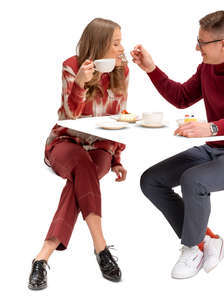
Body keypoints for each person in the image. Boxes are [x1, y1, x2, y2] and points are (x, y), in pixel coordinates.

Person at [131, 10, 224, 279]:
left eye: (202, 42)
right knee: (151, 180)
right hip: (214, 150)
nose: (196, 47)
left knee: (194, 180)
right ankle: (206, 240)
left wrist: (210, 128)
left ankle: (191, 248)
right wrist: (151, 68)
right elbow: (182, 97)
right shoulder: (207, 68)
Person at [28, 18, 129, 290]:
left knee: (81, 177)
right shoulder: (72, 67)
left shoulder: (122, 70)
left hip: (100, 146)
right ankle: (101, 247)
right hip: (66, 141)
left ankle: (42, 258)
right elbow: (68, 115)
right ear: (99, 45)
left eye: (122, 42)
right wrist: (80, 85)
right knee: (83, 168)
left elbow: (119, 117)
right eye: (116, 43)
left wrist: (117, 158)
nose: (122, 48)